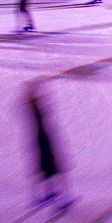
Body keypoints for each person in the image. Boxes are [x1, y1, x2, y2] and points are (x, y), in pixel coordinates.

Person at [25, 79, 71, 209]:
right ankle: (60, 195)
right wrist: (34, 88)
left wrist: (34, 88)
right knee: (53, 168)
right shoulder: (35, 110)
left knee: (46, 169)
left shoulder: (34, 111)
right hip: (44, 140)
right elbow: (34, 102)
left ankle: (52, 194)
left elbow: (33, 102)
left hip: (42, 140)